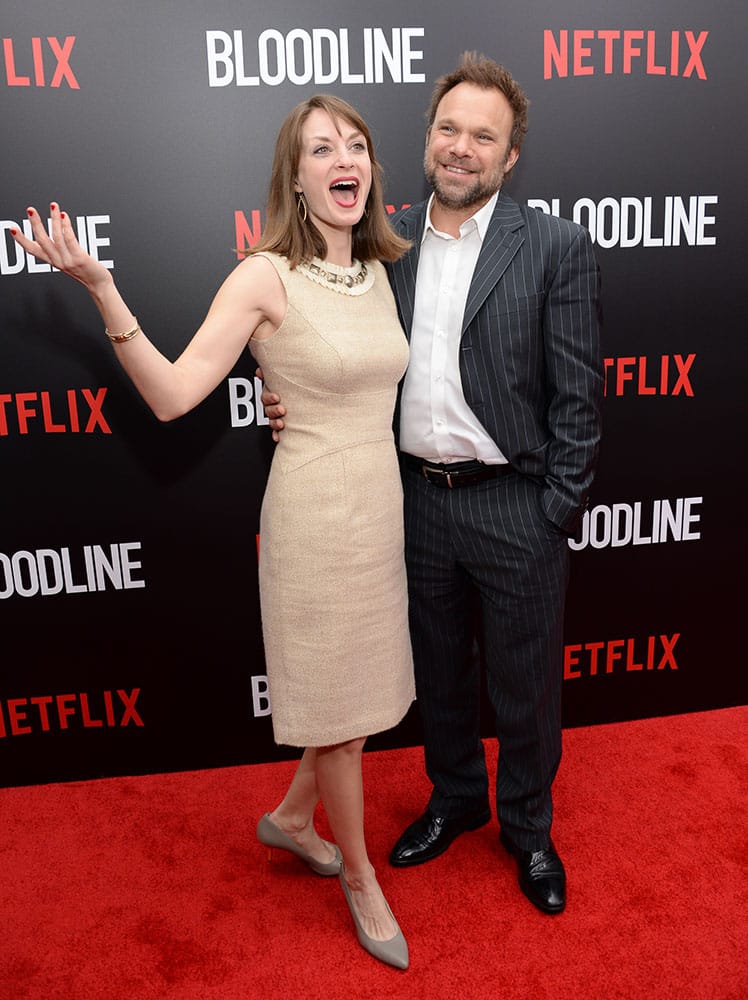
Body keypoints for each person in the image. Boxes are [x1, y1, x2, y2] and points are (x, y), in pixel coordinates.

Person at [10, 94, 415, 969]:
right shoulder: (264, 274)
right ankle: (357, 875)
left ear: (370, 171)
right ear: (297, 182)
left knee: (354, 700)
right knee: (342, 718)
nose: (343, 158)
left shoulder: (380, 272)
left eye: (356, 145)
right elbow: (171, 394)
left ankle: (290, 820)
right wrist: (102, 287)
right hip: (312, 521)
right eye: (320, 149)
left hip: (380, 512)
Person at [262, 53, 603, 916]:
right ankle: (454, 800)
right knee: (439, 678)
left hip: (516, 505)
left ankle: (527, 831)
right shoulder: (388, 245)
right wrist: (287, 400)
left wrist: (554, 510)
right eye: (448, 129)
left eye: (482, 136)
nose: (461, 148)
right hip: (411, 502)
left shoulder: (555, 246)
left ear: (510, 154)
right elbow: (330, 344)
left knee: (524, 686)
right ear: (426, 141)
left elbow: (579, 396)